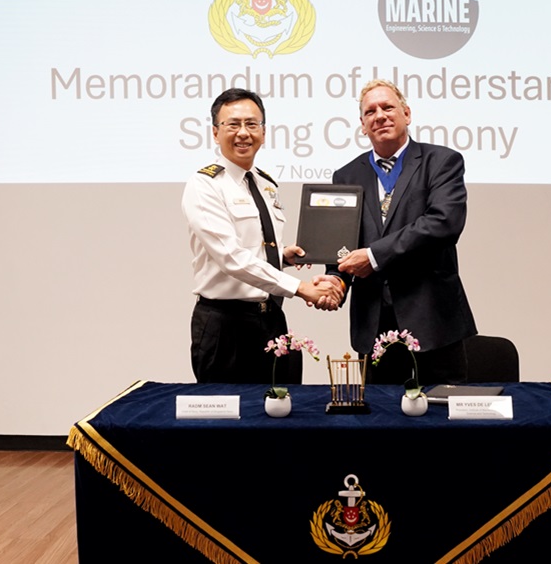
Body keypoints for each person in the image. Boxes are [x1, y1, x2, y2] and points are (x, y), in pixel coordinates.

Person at [316, 79, 476, 385]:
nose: (380, 115)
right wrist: (336, 278)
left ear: (407, 113)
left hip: (434, 320)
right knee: (381, 423)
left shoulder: (441, 161)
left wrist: (375, 256)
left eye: (388, 107)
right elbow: (342, 244)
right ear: (362, 125)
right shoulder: (346, 175)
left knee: (445, 421)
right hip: (373, 322)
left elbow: (444, 223)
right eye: (370, 111)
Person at [182, 88, 343, 383]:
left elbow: (252, 247)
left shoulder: (266, 184)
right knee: (227, 421)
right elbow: (231, 257)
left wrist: (281, 256)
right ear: (215, 133)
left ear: (264, 132)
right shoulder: (204, 185)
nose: (243, 133)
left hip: (270, 319)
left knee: (281, 413)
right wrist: (300, 288)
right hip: (224, 326)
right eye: (233, 124)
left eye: (251, 124)